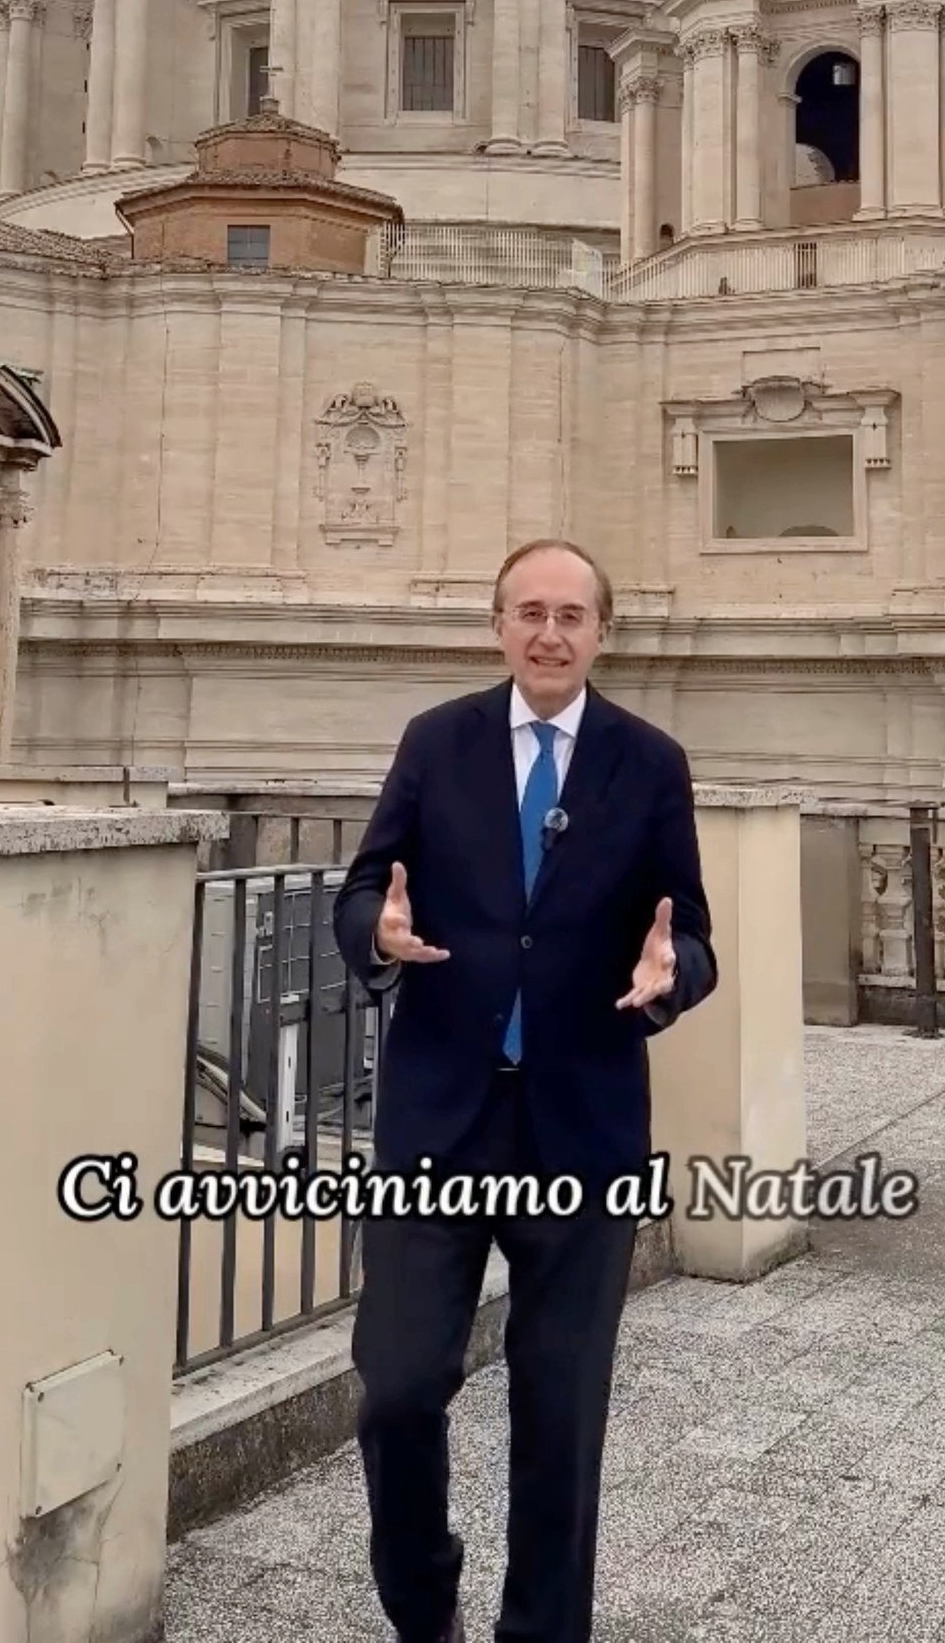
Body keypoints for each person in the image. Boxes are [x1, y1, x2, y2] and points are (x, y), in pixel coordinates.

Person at [333, 540, 717, 1643]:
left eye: (572, 614)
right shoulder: (436, 741)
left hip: (581, 1130)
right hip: (437, 1122)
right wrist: (382, 933)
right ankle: (425, 1605)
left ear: (604, 630)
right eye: (530, 611)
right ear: (497, 623)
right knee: (399, 1386)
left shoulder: (648, 762)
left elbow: (689, 930)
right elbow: (367, 885)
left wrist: (668, 976)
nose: (550, 633)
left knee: (559, 1415)